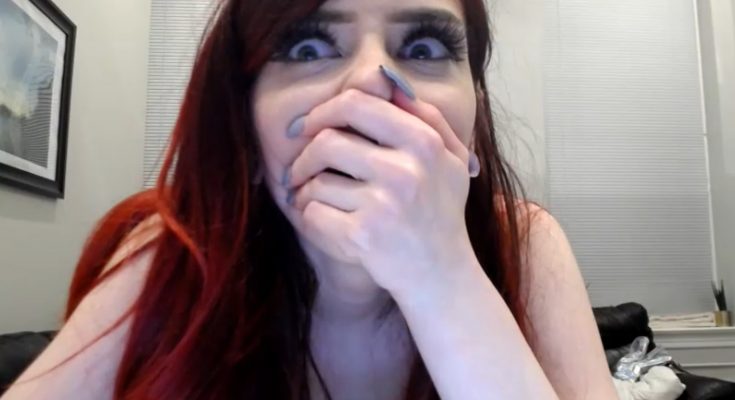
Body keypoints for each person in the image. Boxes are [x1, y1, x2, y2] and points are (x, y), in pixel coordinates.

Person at [1, 0, 618, 399]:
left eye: (424, 47)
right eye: (307, 48)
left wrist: (442, 276)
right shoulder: (169, 252)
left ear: (474, 118)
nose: (371, 82)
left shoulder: (527, 246)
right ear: (246, 126)